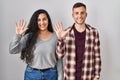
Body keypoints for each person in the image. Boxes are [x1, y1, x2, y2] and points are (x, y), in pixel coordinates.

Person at [9, 9, 63, 80]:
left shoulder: (56, 37)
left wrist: (60, 77)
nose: (42, 22)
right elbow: (12, 50)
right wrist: (18, 35)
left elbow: (59, 59)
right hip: (32, 74)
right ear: (35, 22)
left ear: (48, 20)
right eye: (39, 20)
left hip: (51, 74)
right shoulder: (29, 37)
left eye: (44, 19)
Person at [54, 2, 101, 80]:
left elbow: (97, 56)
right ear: (73, 15)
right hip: (70, 76)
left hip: (88, 76)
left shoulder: (94, 32)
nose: (79, 16)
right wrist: (60, 39)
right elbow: (59, 56)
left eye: (82, 13)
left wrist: (96, 76)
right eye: (77, 13)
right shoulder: (66, 33)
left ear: (86, 14)